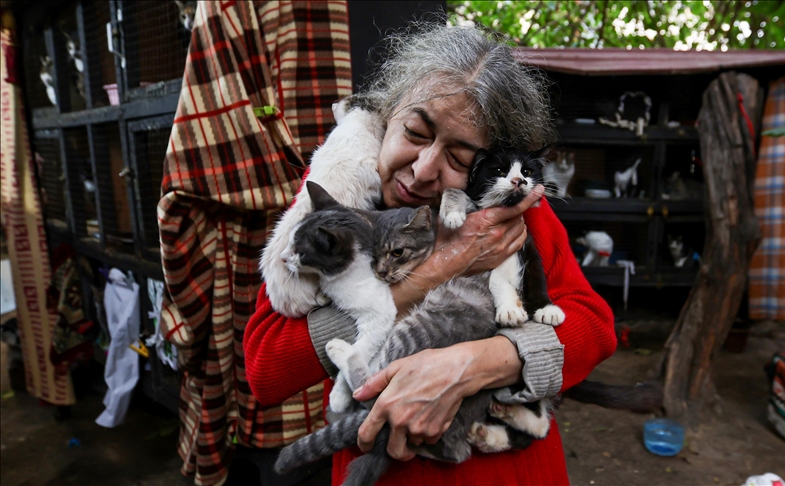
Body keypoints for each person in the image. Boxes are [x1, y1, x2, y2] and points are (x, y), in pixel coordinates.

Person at [243, 23, 616, 485]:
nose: (422, 171)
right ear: (389, 112)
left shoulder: (509, 212)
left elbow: (594, 326)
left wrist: (475, 365)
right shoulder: (336, 198)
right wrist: (440, 268)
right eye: (415, 132)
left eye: (458, 160)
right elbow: (265, 369)